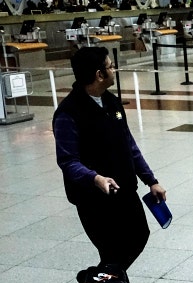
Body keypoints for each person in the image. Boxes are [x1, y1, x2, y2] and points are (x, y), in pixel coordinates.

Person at [53, 47, 166, 270]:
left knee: (139, 236)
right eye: (110, 66)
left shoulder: (111, 102)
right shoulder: (69, 113)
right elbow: (68, 161)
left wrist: (150, 180)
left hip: (124, 188)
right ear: (99, 74)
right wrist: (95, 178)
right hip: (93, 198)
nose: (114, 70)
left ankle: (102, 282)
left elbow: (129, 144)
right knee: (112, 250)